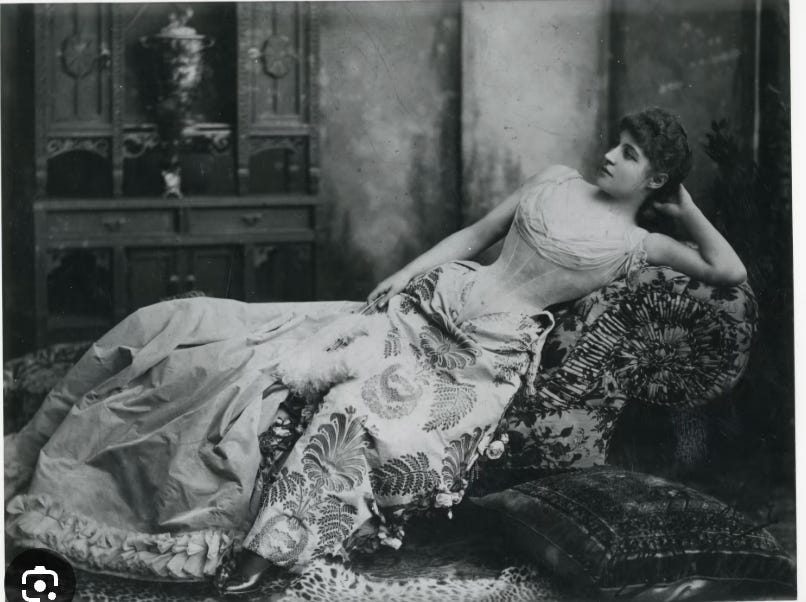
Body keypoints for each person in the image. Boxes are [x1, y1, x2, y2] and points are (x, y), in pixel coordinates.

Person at [4, 108, 745, 592]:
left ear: (655, 177)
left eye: (631, 154)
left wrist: (683, 205)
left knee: (361, 409)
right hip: (425, 310)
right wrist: (403, 275)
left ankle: (270, 549)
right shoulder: (554, 181)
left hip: (481, 361)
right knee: (226, 344)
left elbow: (728, 270)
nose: (610, 154)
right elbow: (472, 237)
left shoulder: (641, 242)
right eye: (617, 142)